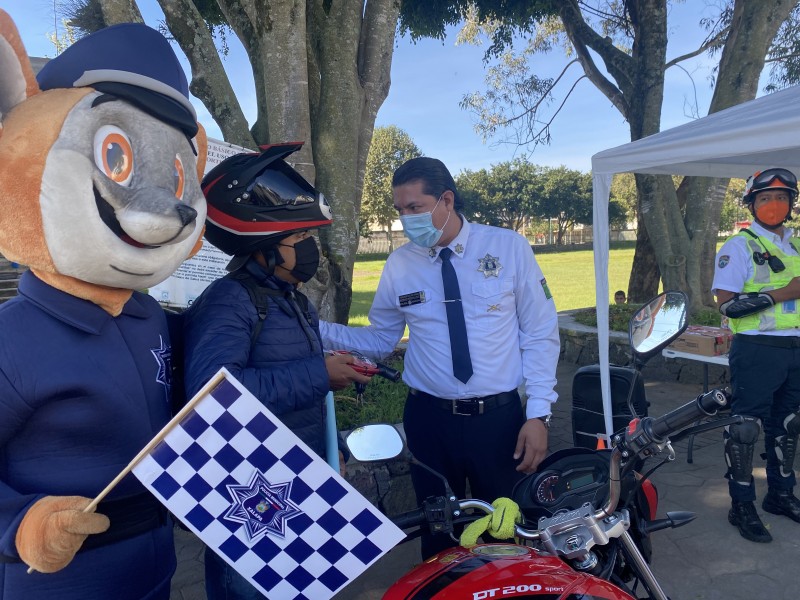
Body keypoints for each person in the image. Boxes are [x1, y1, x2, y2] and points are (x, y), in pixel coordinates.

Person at [319, 156, 559, 558]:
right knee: (439, 534)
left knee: (504, 531)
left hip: (498, 423)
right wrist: (312, 328)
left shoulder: (508, 248)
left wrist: (538, 414)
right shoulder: (399, 265)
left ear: (446, 200)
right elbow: (380, 339)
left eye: (414, 208)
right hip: (429, 422)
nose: (405, 220)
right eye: (400, 211)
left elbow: (539, 333)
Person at [183, 144, 371, 599]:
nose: (311, 249)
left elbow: (307, 392)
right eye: (300, 238)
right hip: (249, 493)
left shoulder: (294, 301)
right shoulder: (231, 300)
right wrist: (319, 374)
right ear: (264, 248)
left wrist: (330, 451)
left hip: (296, 479)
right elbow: (213, 397)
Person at [713, 167, 800, 543]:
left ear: (792, 205)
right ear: (752, 203)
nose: (775, 204)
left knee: (790, 424)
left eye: (783, 197)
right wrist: (787, 291)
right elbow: (727, 306)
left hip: (795, 348)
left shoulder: (795, 245)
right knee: (745, 428)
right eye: (766, 198)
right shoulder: (739, 246)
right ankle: (741, 504)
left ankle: (780, 495)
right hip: (757, 349)